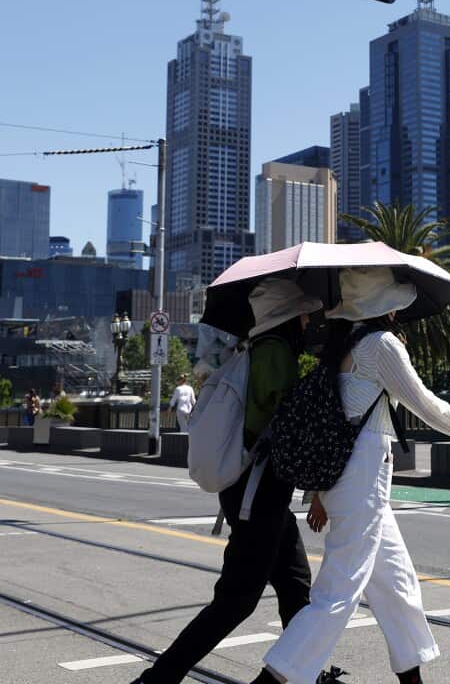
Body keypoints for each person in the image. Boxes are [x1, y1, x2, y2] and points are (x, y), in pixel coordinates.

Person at [254, 268, 450, 684]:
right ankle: (273, 678)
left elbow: (331, 423)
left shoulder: (343, 343)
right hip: (363, 475)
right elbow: (427, 406)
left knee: (396, 582)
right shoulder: (381, 346)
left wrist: (318, 492)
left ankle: (412, 678)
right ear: (389, 308)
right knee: (339, 589)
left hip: (349, 477)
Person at [131, 279, 323, 684]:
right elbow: (277, 426)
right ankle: (158, 679)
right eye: (304, 313)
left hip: (253, 489)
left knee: (295, 586)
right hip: (261, 491)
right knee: (236, 601)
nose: (309, 321)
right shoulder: (277, 354)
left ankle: (306, 673)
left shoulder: (253, 351)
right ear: (289, 316)